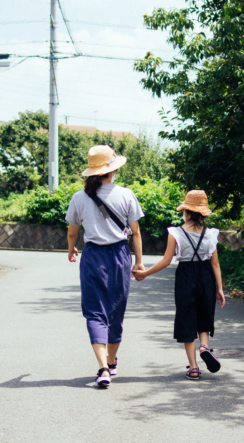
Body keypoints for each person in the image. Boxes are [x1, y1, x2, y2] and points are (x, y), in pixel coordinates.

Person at [66, 144, 145, 389]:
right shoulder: (126, 194)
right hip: (120, 256)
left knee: (94, 311)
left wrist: (71, 250)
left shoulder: (79, 197)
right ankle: (110, 363)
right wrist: (139, 262)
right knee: (115, 310)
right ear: (112, 170)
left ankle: (102, 368)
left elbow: (72, 233)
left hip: (92, 257)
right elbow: (136, 233)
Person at [133, 190, 225, 380]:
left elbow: (166, 261)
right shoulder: (211, 234)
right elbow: (215, 263)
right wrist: (220, 288)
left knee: (187, 318)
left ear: (186, 211)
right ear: (203, 213)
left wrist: (145, 273)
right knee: (204, 314)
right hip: (206, 275)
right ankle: (204, 347)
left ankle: (193, 367)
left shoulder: (175, 232)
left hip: (185, 276)